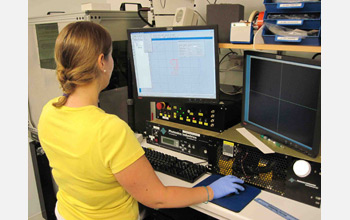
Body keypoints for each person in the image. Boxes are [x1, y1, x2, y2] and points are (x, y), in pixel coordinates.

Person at [38, 21, 245, 220]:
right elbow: (158, 198)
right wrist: (210, 190)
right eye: (111, 56)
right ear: (102, 62)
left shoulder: (49, 110)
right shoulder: (109, 129)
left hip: (66, 213)